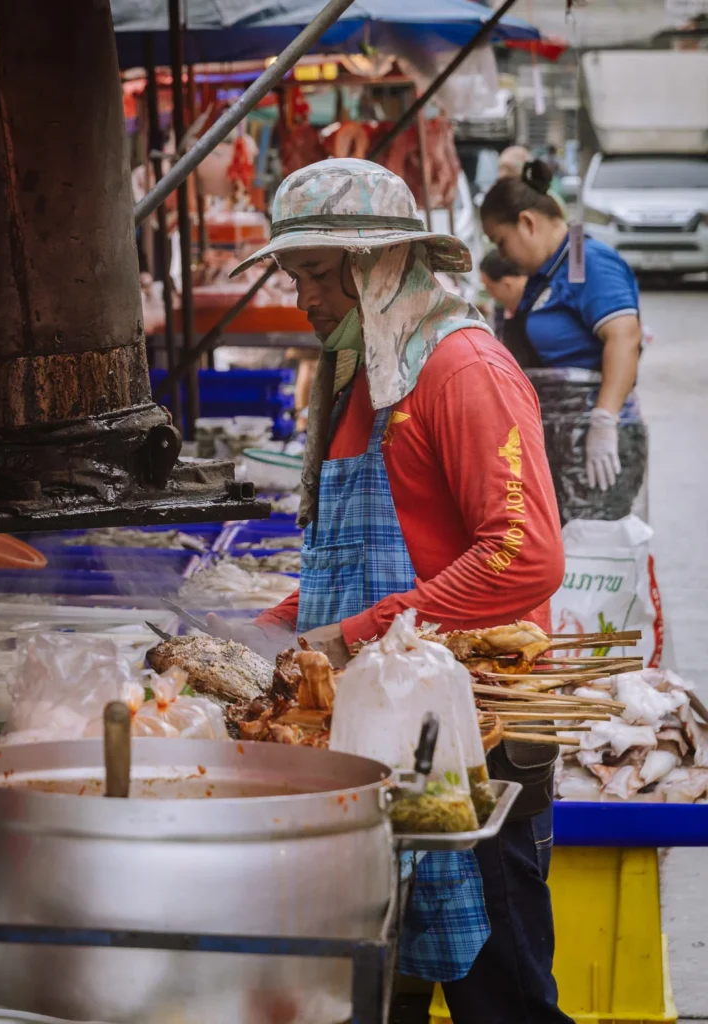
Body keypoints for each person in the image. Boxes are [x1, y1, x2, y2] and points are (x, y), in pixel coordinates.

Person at [210, 157, 571, 1024]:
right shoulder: (363, 377)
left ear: (378, 264)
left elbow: (524, 555)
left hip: (472, 738)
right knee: (377, 985)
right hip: (378, 735)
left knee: (501, 996)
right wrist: (266, 629)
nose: (303, 298)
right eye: (295, 276)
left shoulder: (461, 369)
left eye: (318, 274)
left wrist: (354, 633)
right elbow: (357, 555)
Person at [481, 159, 647, 525]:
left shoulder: (586, 260)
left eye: (501, 242)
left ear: (527, 223)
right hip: (557, 437)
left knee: (593, 558)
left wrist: (604, 421)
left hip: (594, 441)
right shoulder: (551, 270)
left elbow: (624, 336)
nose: (502, 256)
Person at [480, 249, 528, 340]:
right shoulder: (504, 313)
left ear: (507, 284)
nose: (492, 296)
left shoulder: (543, 311)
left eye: (491, 289)